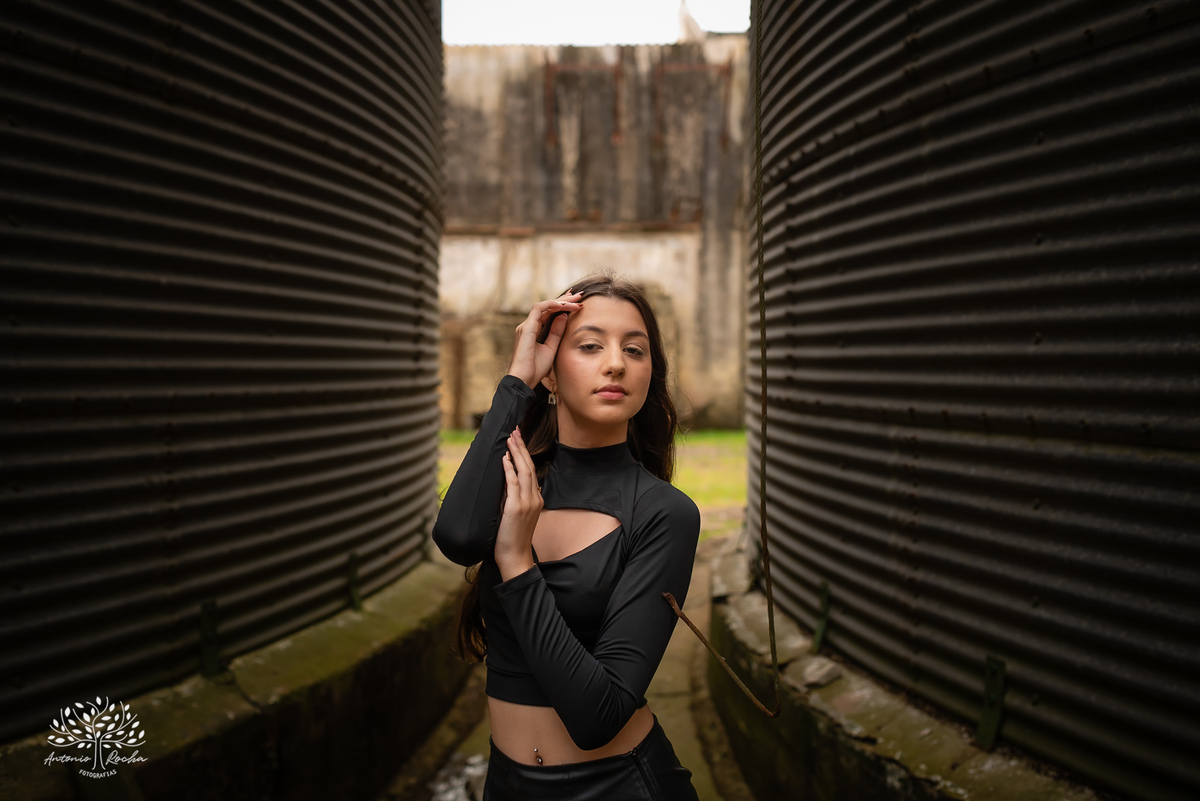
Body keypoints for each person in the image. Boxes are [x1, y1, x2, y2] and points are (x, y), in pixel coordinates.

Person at [432, 272, 703, 800]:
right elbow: (458, 536)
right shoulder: (518, 481)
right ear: (552, 374)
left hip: (617, 785)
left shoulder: (664, 514)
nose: (616, 363)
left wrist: (516, 562)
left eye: (635, 349)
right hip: (508, 785)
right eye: (590, 345)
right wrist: (517, 381)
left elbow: (597, 716)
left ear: (651, 374)